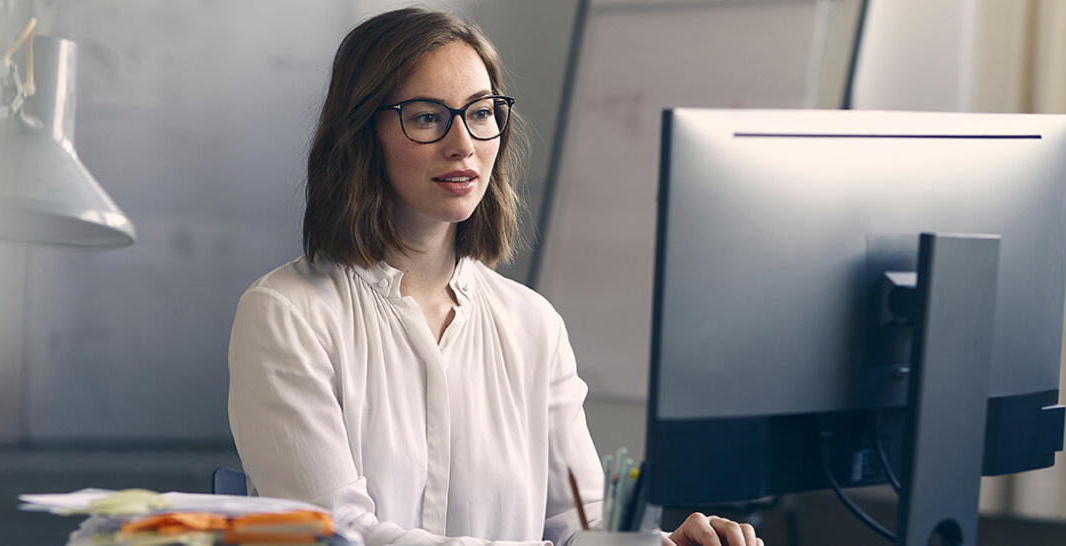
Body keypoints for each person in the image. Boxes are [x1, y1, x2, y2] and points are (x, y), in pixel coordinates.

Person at [228, 8, 762, 546]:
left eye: (480, 113)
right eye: (428, 117)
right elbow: (338, 534)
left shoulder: (533, 323)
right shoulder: (285, 312)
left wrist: (662, 544)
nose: (463, 143)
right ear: (363, 133)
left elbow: (580, 521)